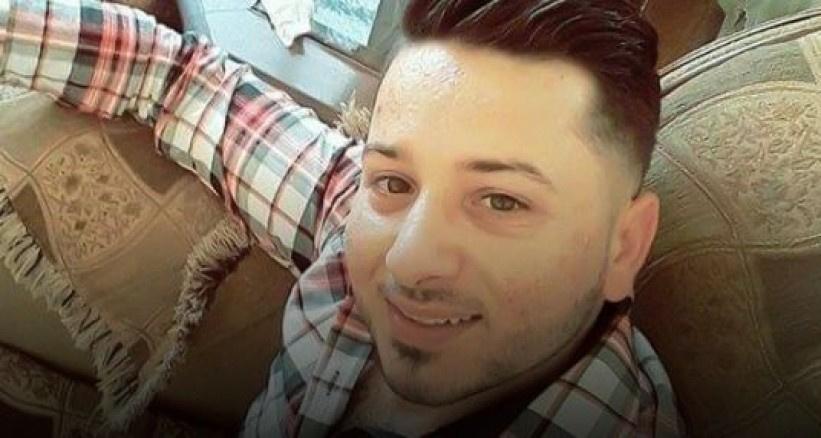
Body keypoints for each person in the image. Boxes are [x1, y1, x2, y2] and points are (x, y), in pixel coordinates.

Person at [0, 0, 684, 436]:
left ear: (623, 247)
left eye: (501, 201)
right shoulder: (352, 222)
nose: (407, 260)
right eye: (395, 180)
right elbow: (178, 81)